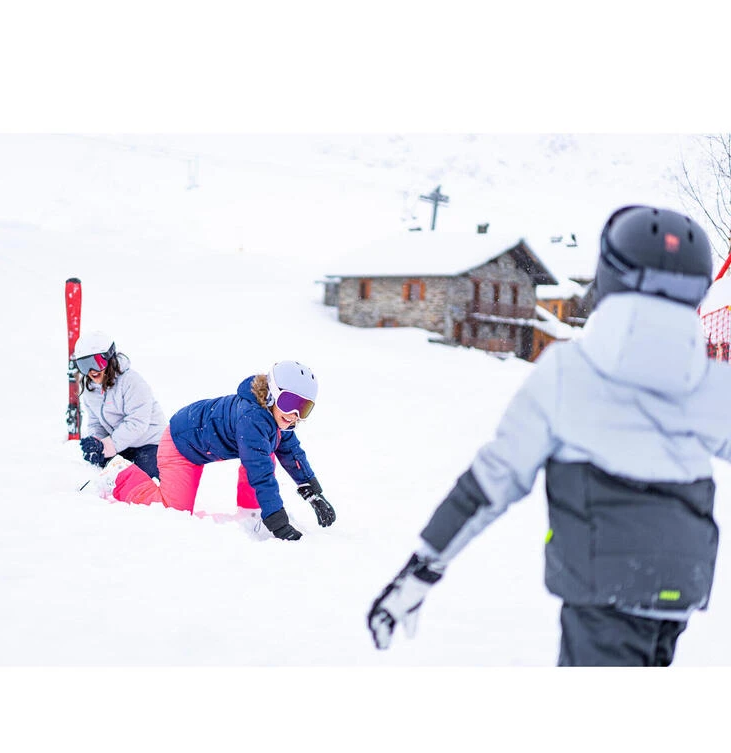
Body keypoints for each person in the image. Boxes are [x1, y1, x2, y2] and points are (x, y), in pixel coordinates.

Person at [368, 204, 731, 666]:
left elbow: (491, 482)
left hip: (603, 585)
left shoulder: (569, 372)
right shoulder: (713, 382)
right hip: (682, 581)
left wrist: (421, 570)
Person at [94, 360, 336, 542]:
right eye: (289, 403)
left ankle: (251, 514)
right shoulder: (252, 418)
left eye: (303, 408)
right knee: (172, 511)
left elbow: (292, 454)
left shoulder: (279, 420)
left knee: (268, 450)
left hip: (206, 444)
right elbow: (260, 473)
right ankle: (120, 476)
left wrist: (313, 493)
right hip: (181, 444)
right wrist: (278, 522)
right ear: (272, 394)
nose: (294, 415)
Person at [74, 331, 166, 479]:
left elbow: (137, 423)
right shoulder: (91, 391)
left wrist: (108, 446)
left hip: (151, 443)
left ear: (109, 358)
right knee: (108, 477)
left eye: (96, 363)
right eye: (84, 365)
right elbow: (95, 422)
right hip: (122, 445)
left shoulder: (131, 382)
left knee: (140, 480)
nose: (91, 371)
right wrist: (95, 442)